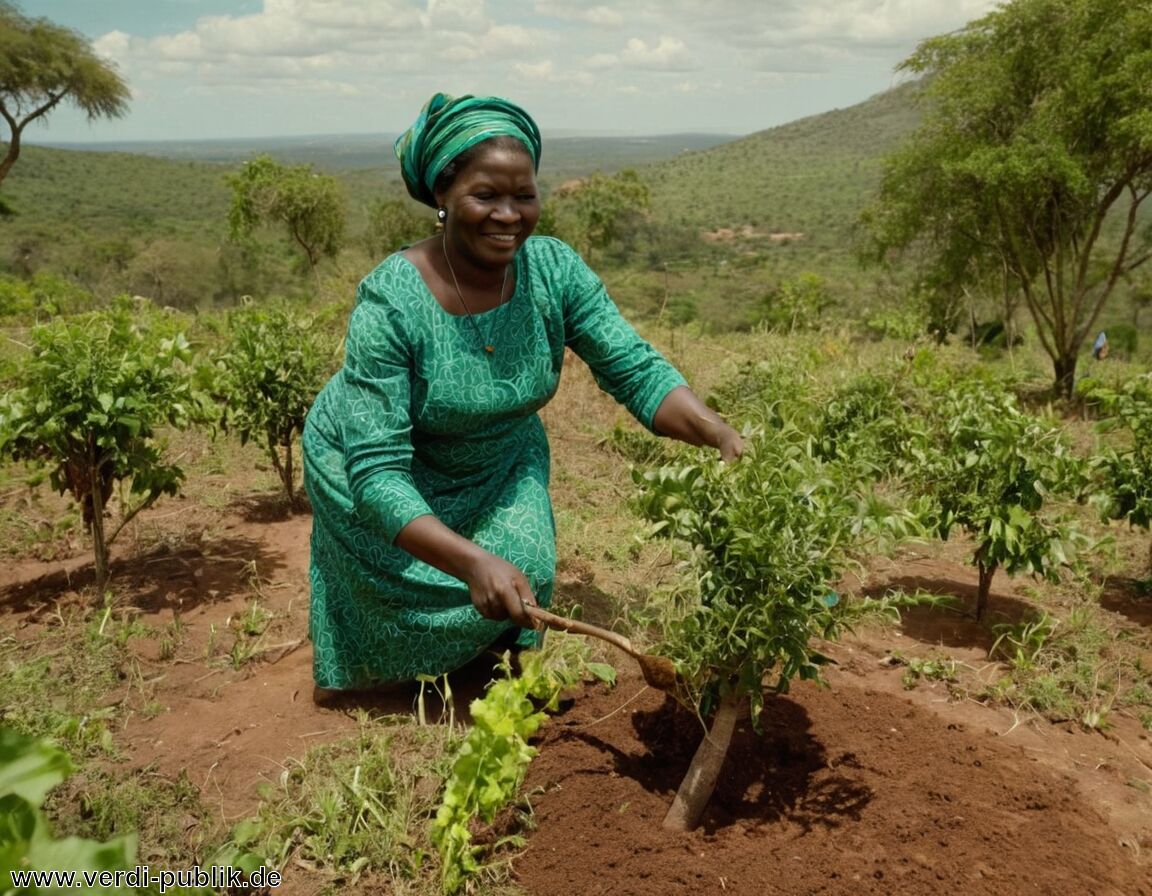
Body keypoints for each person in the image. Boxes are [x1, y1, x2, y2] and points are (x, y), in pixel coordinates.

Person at [302, 92, 743, 693]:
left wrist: (717, 433)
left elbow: (634, 368)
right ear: (442, 195)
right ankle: (393, 665)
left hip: (498, 457)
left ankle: (495, 659)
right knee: (416, 582)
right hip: (379, 461)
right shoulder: (390, 299)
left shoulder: (554, 272)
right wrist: (471, 560)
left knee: (525, 567)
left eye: (524, 196)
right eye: (486, 195)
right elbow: (377, 473)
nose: (508, 215)